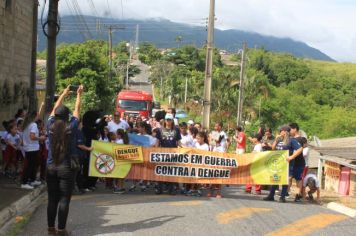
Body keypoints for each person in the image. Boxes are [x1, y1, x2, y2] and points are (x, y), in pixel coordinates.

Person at [46, 85, 83, 236]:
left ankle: (50, 229)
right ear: (67, 117)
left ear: (56, 115)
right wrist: (79, 94)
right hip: (66, 167)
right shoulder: (71, 126)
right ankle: (61, 230)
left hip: (50, 166)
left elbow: (54, 109)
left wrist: (63, 93)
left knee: (52, 199)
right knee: (64, 199)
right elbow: (77, 110)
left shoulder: (50, 125)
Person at [263, 125, 303, 203]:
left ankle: (283, 197)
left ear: (285, 132)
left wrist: (291, 157)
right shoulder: (279, 139)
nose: (279, 132)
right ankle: (271, 195)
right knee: (276, 178)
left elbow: (300, 149)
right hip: (278, 162)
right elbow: (273, 148)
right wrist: (276, 140)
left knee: (285, 179)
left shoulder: (291, 140)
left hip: (288, 163)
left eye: (281, 130)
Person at [156, 113, 182, 195]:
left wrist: (184, 149)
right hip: (162, 153)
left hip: (173, 154)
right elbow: (157, 142)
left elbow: (179, 142)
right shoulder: (160, 130)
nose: (168, 121)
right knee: (160, 171)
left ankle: (171, 189)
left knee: (171, 172)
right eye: (167, 119)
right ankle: (159, 189)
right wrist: (155, 150)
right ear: (165, 120)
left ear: (172, 121)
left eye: (170, 119)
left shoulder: (176, 130)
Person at [22, 111, 46, 189]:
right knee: (30, 166)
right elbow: (32, 137)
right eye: (37, 115)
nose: (38, 116)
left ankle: (32, 180)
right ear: (34, 116)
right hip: (32, 148)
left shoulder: (26, 125)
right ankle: (25, 182)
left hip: (29, 148)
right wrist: (40, 138)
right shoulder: (33, 125)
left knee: (33, 165)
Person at [289, 123, 306, 202]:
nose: (289, 131)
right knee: (289, 178)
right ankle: (286, 192)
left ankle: (298, 195)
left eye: (290, 129)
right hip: (291, 162)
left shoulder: (301, 139)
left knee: (298, 179)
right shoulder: (290, 139)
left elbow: (302, 151)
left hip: (299, 163)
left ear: (295, 129)